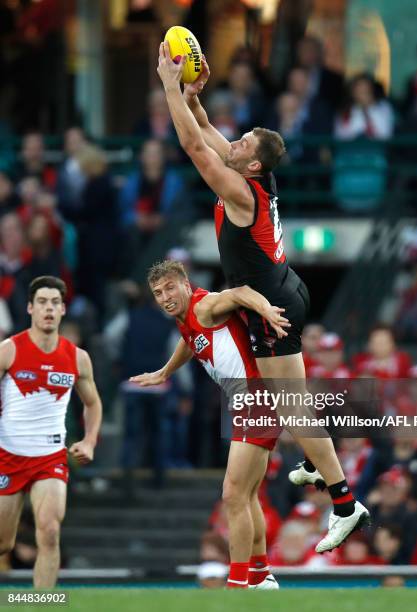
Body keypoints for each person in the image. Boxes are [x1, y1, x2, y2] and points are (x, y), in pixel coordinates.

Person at [156, 41, 369, 555]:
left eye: (245, 139)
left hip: (270, 303)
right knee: (289, 401)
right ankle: (312, 463)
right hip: (283, 286)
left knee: (294, 407)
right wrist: (193, 93)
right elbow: (205, 130)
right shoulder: (256, 174)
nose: (237, 138)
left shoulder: (237, 190)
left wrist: (167, 86)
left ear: (249, 164)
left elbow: (192, 146)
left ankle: (344, 503)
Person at [130, 260, 288, 589]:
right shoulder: (186, 318)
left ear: (186, 285)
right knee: (246, 495)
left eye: (170, 288)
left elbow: (241, 292)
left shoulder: (204, 304)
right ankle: (261, 574)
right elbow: (190, 340)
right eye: (158, 293)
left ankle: (238, 582)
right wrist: (165, 372)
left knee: (232, 495)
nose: (164, 296)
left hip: (256, 397)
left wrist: (268, 310)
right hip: (248, 401)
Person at [0, 275, 102, 588]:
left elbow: (93, 403)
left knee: (50, 532)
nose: (48, 308)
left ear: (62, 311)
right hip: (9, 454)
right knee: (3, 544)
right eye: (42, 302)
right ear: (30, 308)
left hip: (50, 457)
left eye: (55, 303)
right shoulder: (9, 350)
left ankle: (42, 604)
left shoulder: (77, 358)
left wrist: (89, 441)